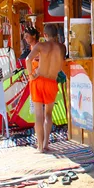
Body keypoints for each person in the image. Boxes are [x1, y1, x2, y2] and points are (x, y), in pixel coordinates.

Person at [26, 24, 66, 153]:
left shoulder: (41, 46)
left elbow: (28, 59)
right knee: (48, 114)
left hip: (38, 80)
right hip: (51, 81)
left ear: (45, 35)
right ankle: (46, 143)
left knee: (38, 114)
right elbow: (62, 65)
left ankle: (39, 147)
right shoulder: (62, 47)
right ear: (57, 35)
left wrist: (31, 75)